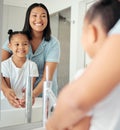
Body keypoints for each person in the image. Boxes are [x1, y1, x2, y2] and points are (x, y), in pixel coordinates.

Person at [46, 0, 120, 130]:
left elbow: (78, 117)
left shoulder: (85, 76)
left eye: (82, 31)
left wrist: (52, 125)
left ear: (92, 33)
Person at [1, 3, 60, 108]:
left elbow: (47, 78)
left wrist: (32, 94)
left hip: (43, 96)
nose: (39, 19)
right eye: (34, 15)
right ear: (28, 17)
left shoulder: (53, 43)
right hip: (18, 96)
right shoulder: (15, 38)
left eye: (43, 15)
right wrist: (5, 90)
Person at [1, 29, 39, 108]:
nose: (21, 47)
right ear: (10, 46)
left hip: (23, 104)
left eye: (25, 44)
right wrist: (15, 99)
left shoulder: (32, 66)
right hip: (6, 102)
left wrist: (26, 98)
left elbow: (30, 88)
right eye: (17, 44)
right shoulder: (5, 65)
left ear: (29, 45)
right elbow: (8, 88)